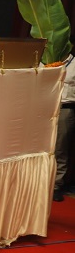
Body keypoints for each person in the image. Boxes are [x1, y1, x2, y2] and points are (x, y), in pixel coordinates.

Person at [53, 53, 75, 201]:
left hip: (65, 108)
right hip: (45, 109)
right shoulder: (47, 60)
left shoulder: (73, 63)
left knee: (60, 148)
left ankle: (56, 186)